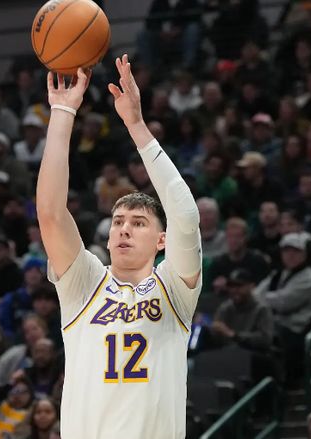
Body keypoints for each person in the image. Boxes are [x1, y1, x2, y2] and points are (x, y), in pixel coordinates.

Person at [37, 55, 201, 438]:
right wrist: (63, 111)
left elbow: (185, 215)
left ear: (162, 240)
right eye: (118, 222)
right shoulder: (85, 283)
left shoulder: (174, 287)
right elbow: (50, 214)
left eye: (139, 223)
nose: (124, 229)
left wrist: (136, 125)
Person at [255, 233, 311, 384]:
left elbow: (284, 303)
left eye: (295, 251)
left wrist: (263, 298)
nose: (290, 255)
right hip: (274, 324)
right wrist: (265, 298)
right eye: (286, 251)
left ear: (304, 254)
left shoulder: (310, 278)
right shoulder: (277, 274)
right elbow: (255, 295)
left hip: (296, 329)